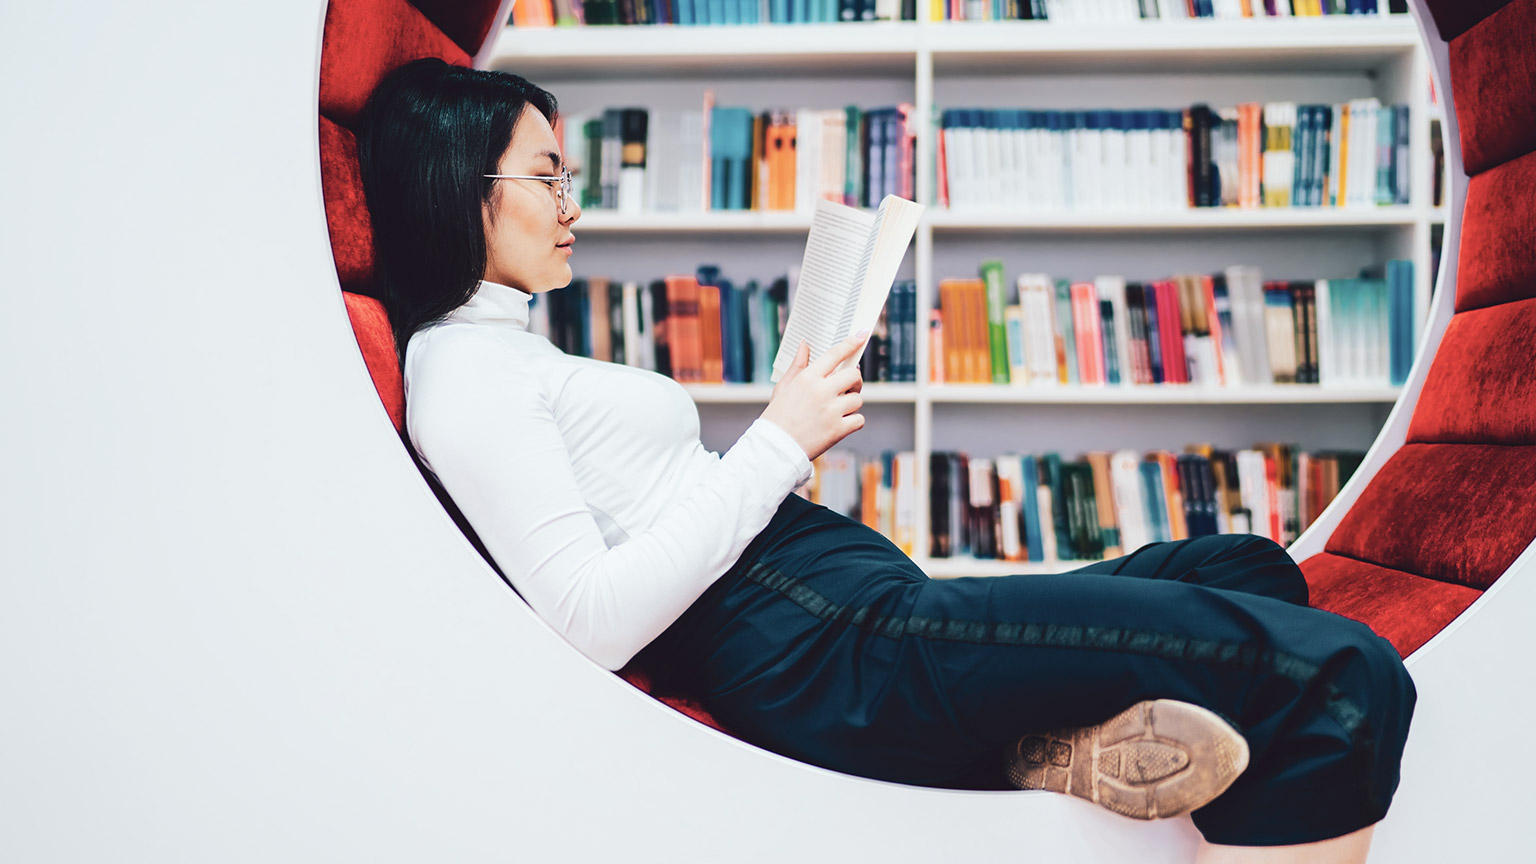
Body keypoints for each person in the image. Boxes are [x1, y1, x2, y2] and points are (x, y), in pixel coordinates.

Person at [357, 57, 1415, 864]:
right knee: (1338, 680)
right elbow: (588, 619)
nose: (572, 202)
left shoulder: (507, 346)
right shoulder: (461, 372)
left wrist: (780, 434)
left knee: (1244, 570)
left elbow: (659, 505)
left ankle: (1025, 745)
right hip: (817, 645)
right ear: (461, 186)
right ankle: (1023, 738)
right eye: (547, 176)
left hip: (836, 601)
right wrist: (780, 439)